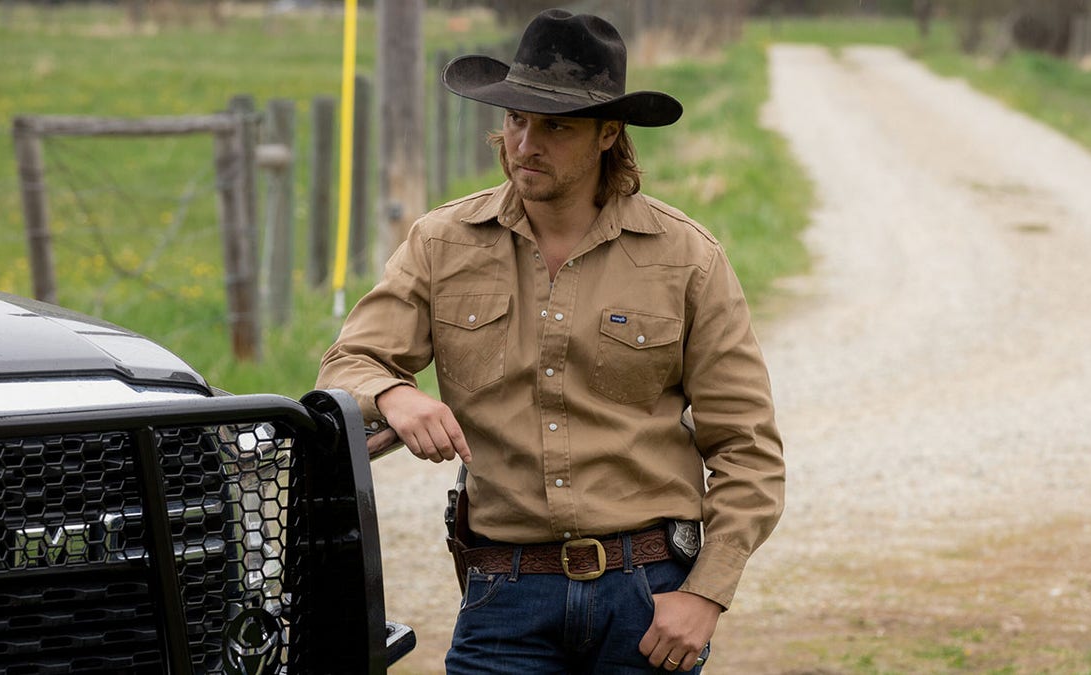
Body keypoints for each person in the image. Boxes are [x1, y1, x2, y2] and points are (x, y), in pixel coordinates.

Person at [317, 8, 784, 673]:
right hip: (503, 594)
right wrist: (395, 395)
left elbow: (748, 448)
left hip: (647, 595)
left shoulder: (686, 258)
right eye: (515, 120)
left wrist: (706, 592)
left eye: (555, 126)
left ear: (608, 134)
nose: (526, 143)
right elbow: (348, 361)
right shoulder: (442, 243)